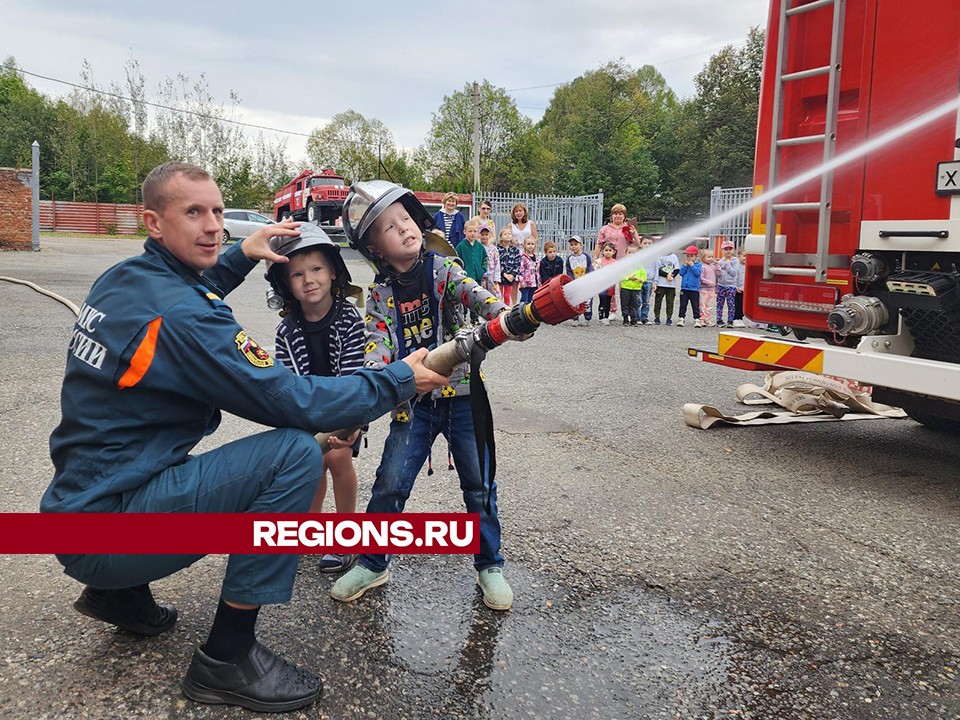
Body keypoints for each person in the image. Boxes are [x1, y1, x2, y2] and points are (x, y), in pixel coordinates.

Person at [40, 162, 449, 714]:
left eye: (216, 211)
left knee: (155, 460)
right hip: (113, 530)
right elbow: (290, 400)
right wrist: (397, 379)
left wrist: (241, 253)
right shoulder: (186, 319)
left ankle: (118, 594)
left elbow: (188, 287)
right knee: (295, 452)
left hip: (78, 513)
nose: (213, 226)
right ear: (153, 222)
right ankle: (227, 657)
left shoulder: (124, 279)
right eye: (193, 213)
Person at [332, 180, 515, 612]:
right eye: (390, 228)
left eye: (406, 219)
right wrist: (376, 384)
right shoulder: (378, 295)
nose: (404, 228)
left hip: (465, 398)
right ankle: (374, 561)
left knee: (479, 484)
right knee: (391, 483)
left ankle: (489, 564)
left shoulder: (443, 270)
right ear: (375, 249)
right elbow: (375, 348)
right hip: (411, 406)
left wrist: (507, 317)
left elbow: (477, 294)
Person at [267, 224, 365, 575]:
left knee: (338, 456)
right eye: (297, 274)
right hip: (306, 414)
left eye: (316, 269)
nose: (308, 279)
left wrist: (352, 424)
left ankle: (346, 534)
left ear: (333, 271)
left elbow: (356, 378)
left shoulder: (351, 318)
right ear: (284, 284)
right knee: (310, 462)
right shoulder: (286, 330)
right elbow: (287, 384)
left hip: (345, 411)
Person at [509, 203, 538, 306]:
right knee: (515, 281)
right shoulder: (511, 225)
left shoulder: (531, 224)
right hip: (516, 255)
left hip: (528, 254)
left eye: (520, 211)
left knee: (528, 281)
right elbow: (507, 237)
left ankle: (528, 303)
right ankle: (514, 304)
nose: (518, 213)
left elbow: (535, 238)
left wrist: (533, 253)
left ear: (525, 212)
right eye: (516, 211)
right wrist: (513, 241)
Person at [564, 235, 594, 326]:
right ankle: (575, 318)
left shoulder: (586, 256)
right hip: (576, 283)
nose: (573, 246)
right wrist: (572, 280)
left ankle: (587, 318)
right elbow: (569, 270)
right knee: (575, 301)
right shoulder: (569, 258)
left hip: (586, 283)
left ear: (581, 245)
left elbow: (589, 268)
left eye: (576, 244)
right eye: (572, 244)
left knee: (587, 301)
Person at [618, 243, 646, 326]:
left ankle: (633, 319)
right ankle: (625, 319)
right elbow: (620, 275)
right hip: (625, 287)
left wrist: (642, 279)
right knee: (625, 304)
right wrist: (629, 278)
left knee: (634, 304)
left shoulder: (639, 265)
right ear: (626, 253)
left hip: (636, 288)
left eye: (633, 253)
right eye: (629, 253)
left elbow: (644, 274)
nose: (631, 255)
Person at [456, 218, 488, 285]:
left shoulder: (480, 247)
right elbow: (456, 260)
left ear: (478, 232)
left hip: (478, 280)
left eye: (475, 231)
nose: (472, 233)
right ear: (465, 232)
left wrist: (481, 271)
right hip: (465, 279)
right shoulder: (461, 246)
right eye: (470, 231)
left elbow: (485, 259)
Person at [677, 245, 703, 327]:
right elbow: (681, 273)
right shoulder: (684, 265)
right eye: (688, 256)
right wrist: (685, 266)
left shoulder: (698, 265)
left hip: (694, 288)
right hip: (684, 288)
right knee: (683, 304)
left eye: (691, 256)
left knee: (695, 305)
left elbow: (697, 273)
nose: (689, 258)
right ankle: (681, 318)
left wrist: (692, 266)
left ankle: (697, 319)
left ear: (696, 256)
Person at [716, 240, 740, 327]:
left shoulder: (735, 261)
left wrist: (728, 265)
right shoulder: (720, 261)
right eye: (726, 249)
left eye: (730, 249)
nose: (728, 251)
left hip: (731, 286)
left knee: (731, 304)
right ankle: (719, 320)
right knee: (719, 303)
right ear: (722, 250)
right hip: (721, 285)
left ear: (733, 250)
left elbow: (734, 273)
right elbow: (718, 274)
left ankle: (730, 321)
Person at [654, 247, 680, 325]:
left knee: (670, 302)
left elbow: (677, 269)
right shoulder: (658, 256)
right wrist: (666, 275)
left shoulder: (674, 257)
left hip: (671, 285)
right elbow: (657, 269)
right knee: (658, 301)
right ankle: (657, 317)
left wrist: (672, 276)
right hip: (660, 283)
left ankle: (669, 317)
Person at [497, 227, 521, 308]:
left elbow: (517, 263)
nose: (507, 235)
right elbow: (496, 263)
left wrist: (513, 275)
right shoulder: (497, 249)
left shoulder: (515, 250)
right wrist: (503, 274)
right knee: (499, 295)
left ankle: (506, 309)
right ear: (501, 237)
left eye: (509, 234)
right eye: (505, 234)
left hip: (510, 277)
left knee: (507, 295)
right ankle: (499, 309)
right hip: (500, 276)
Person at [595, 242, 618, 325]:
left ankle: (606, 317)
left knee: (608, 302)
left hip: (610, 286)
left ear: (614, 252)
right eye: (606, 250)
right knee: (602, 301)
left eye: (610, 250)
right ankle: (601, 317)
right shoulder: (599, 261)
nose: (608, 252)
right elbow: (596, 272)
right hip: (601, 285)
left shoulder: (615, 262)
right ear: (602, 251)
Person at [639, 235, 657, 325]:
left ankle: (644, 317)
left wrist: (655, 282)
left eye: (649, 243)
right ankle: (637, 317)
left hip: (649, 281)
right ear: (641, 244)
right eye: (645, 243)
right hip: (639, 281)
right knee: (638, 300)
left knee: (646, 301)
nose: (647, 245)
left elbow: (656, 270)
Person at [479, 225, 501, 300]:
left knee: (494, 296)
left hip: (491, 277)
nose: (484, 237)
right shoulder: (478, 247)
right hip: (482, 278)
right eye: (482, 235)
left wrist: (496, 278)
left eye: (486, 235)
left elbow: (497, 263)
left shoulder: (494, 249)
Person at [699, 248, 718, 328]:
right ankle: (702, 319)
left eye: (712, 257)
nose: (711, 258)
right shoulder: (702, 267)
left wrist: (717, 264)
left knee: (710, 304)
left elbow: (719, 273)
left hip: (712, 289)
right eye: (709, 257)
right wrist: (709, 282)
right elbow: (701, 278)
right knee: (702, 304)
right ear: (703, 258)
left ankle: (708, 318)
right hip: (704, 288)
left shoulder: (713, 267)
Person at [517, 236, 540, 303]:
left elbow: (538, 270)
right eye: (528, 244)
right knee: (524, 300)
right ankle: (521, 312)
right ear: (525, 245)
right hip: (526, 283)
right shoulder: (523, 257)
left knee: (531, 300)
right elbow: (520, 271)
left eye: (532, 244)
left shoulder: (537, 257)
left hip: (534, 283)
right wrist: (522, 281)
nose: (530, 246)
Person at [734, 248, 748, 328]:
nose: (746, 258)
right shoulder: (736, 266)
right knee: (737, 304)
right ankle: (736, 318)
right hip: (738, 289)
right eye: (744, 256)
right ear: (739, 255)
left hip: (746, 288)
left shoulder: (748, 266)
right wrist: (735, 287)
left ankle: (741, 318)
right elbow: (733, 277)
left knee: (744, 304)